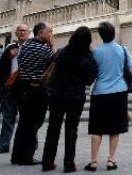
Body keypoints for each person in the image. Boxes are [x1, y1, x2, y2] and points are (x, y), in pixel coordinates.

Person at [42, 26, 98, 172]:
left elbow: (49, 67)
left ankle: (47, 162)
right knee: (71, 130)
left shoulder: (61, 53)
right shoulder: (88, 57)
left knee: (53, 128)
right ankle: (68, 163)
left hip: (57, 94)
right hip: (75, 96)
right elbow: (89, 80)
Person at [86, 21, 132, 171]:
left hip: (100, 92)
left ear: (100, 35)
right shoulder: (123, 50)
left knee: (97, 128)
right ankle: (111, 160)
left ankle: (94, 161)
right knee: (115, 129)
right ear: (113, 34)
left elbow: (91, 75)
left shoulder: (95, 53)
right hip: (119, 92)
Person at [11, 22, 56, 166]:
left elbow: (20, 62)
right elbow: (53, 64)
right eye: (49, 32)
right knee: (34, 123)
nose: (51, 35)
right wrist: (51, 45)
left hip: (23, 87)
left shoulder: (25, 46)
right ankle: (27, 156)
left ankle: (17, 155)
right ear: (40, 33)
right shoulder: (43, 49)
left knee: (24, 122)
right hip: (37, 90)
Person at [0, 24, 29, 155]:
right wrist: (8, 56)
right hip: (10, 86)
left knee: (27, 119)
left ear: (28, 33)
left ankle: (27, 147)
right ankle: (3, 145)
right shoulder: (10, 49)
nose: (23, 32)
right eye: (20, 31)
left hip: (25, 88)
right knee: (7, 118)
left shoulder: (31, 48)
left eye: (25, 30)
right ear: (17, 33)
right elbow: (2, 68)